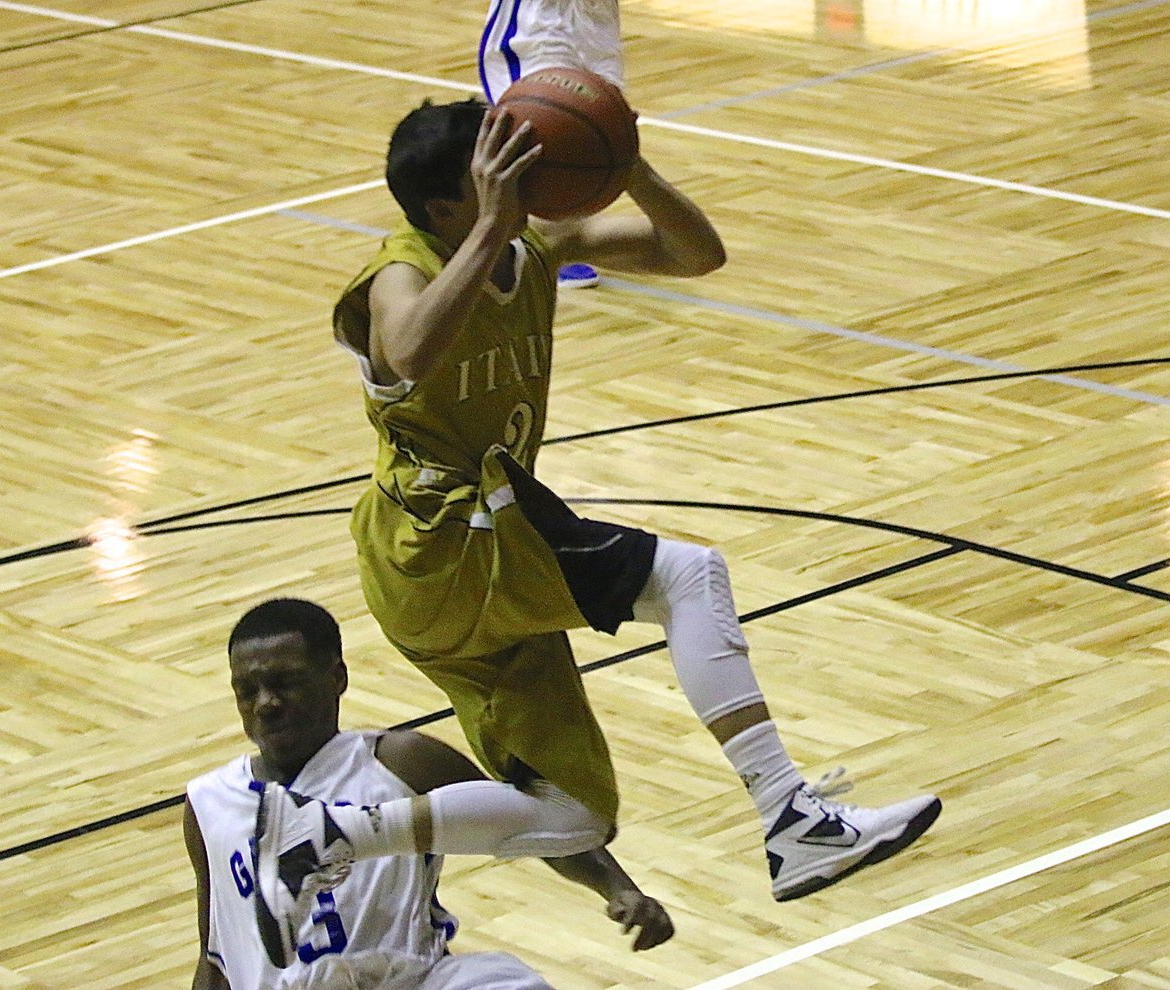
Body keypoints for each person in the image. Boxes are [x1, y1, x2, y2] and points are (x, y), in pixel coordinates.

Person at [297, 93, 939, 933]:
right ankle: (792, 817)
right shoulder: (402, 271)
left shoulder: (534, 244)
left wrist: (625, 164)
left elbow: (696, 253)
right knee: (689, 576)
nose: (519, 180)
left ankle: (335, 836)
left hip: (473, 556)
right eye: (495, 171)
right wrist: (492, 226)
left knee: (573, 815)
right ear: (446, 206)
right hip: (439, 542)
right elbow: (410, 349)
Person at [185, 598, 673, 989]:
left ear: (337, 678)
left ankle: (337, 834)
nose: (266, 703)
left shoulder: (400, 762)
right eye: (247, 690)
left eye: (284, 683)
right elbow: (216, 954)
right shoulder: (208, 802)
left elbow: (524, 824)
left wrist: (618, 887)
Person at [478, 0, 625, 290]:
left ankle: (551, 231)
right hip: (540, 13)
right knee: (537, 119)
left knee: (600, 116)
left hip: (596, 10)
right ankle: (511, 234)